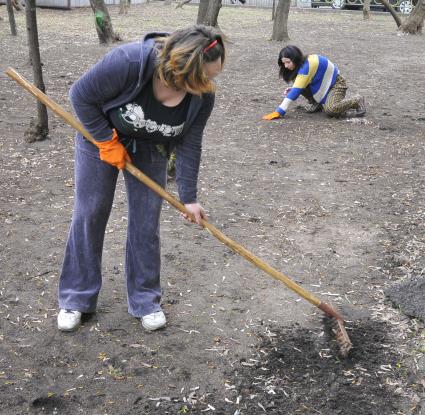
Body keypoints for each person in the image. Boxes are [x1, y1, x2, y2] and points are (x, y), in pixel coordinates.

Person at [57, 25, 225, 332]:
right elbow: (80, 96)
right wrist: (106, 142)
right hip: (100, 137)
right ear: (182, 70)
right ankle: (76, 297)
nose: (210, 84)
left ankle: (145, 300)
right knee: (90, 212)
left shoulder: (202, 97)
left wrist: (189, 197)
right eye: (205, 77)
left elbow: (190, 142)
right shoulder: (130, 62)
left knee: (146, 221)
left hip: (151, 146)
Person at [262, 45, 366, 121]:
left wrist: (279, 111)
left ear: (296, 58)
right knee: (297, 85)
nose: (285, 66)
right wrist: (294, 89)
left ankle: (356, 100)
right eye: (283, 63)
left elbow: (296, 90)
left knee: (331, 110)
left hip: (336, 84)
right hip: (321, 85)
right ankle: (317, 103)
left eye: (288, 62)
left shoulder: (306, 68)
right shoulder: (301, 67)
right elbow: (299, 86)